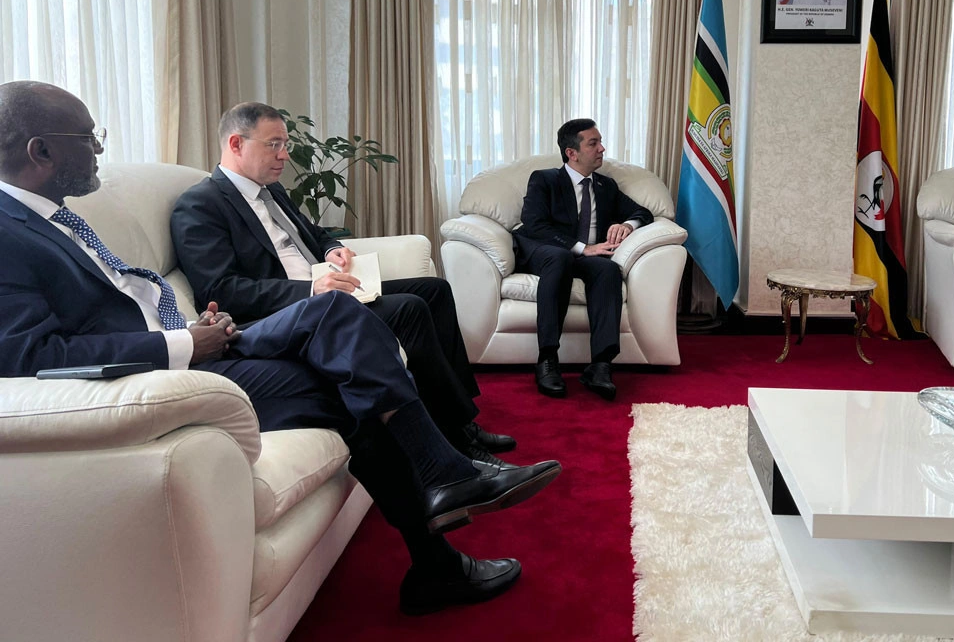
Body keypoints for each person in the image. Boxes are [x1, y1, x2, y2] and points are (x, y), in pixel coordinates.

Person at [0, 80, 563, 614]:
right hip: (164, 373)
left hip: (204, 338)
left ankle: (443, 503)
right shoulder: (8, 232)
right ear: (40, 150)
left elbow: (127, 303)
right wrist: (180, 342)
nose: (99, 149)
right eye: (88, 137)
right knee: (346, 368)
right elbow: (29, 356)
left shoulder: (53, 217)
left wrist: (198, 325)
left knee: (344, 323)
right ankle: (441, 515)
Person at [170, 102, 512, 465]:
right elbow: (221, 290)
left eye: (285, 144)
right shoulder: (201, 205)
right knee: (410, 309)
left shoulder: (272, 190)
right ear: (236, 144)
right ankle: (457, 438)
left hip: (328, 293)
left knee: (435, 290)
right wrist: (311, 290)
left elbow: (315, 234)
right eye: (274, 144)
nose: (285, 155)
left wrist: (331, 248)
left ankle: (461, 417)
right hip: (291, 314)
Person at [513, 119, 652, 401]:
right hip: (546, 250)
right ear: (571, 153)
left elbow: (643, 213)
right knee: (561, 257)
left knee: (608, 270)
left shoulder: (605, 186)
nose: (602, 148)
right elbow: (533, 224)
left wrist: (628, 225)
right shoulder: (545, 179)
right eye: (593, 143)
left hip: (586, 255)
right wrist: (580, 247)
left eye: (600, 142)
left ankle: (600, 365)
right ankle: (547, 359)